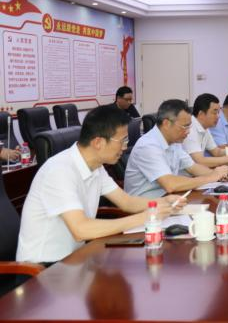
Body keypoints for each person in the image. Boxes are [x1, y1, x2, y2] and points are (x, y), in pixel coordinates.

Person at [16, 106, 186, 263]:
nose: (124, 147)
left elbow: (126, 202)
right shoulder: (59, 171)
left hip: (75, 260)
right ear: (98, 142)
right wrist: (144, 218)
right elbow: (80, 230)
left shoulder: (95, 166)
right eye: (122, 141)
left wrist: (163, 202)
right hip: (43, 268)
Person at [124, 99, 228, 198]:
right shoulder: (148, 146)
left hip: (168, 199)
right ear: (166, 124)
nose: (188, 131)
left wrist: (217, 174)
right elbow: (170, 184)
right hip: (146, 206)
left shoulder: (174, 141)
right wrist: (210, 178)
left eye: (189, 126)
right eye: (185, 126)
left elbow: (193, 167)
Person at [183, 93, 228, 168]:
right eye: (215, 113)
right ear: (201, 114)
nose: (218, 116)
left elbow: (217, 152)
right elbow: (200, 161)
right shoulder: (190, 128)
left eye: (218, 112)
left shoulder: (205, 127)